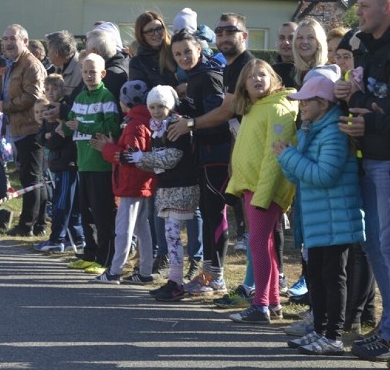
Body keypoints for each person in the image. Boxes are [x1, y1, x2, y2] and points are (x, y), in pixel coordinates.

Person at [275, 67, 364, 355]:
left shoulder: (334, 133)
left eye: (306, 101)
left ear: (322, 103)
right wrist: (287, 158)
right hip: (319, 219)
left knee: (332, 276)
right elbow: (299, 177)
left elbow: (324, 175)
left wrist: (288, 155)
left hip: (337, 218)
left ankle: (333, 335)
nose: (301, 107)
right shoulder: (310, 131)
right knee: (317, 275)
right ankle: (321, 330)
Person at [335, 0, 390, 361]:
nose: (359, 11)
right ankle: (387, 329)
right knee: (373, 246)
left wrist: (367, 113)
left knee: (387, 246)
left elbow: (380, 110)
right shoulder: (366, 47)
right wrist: (356, 104)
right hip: (368, 159)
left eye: (366, 5)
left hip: (387, 161)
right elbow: (369, 103)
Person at [225, 59, 298, 324]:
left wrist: (265, 194)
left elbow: (273, 157)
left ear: (273, 78)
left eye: (262, 75)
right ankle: (273, 302)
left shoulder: (277, 109)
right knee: (263, 245)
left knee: (257, 243)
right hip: (251, 188)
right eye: (251, 76)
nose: (257, 79)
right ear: (243, 84)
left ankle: (261, 305)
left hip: (263, 191)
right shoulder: (253, 109)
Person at [122, 85, 197, 301]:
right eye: (152, 106)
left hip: (181, 186)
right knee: (169, 235)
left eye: (161, 106)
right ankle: (174, 280)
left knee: (173, 235)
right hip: (166, 188)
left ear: (170, 106)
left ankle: (177, 283)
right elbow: (157, 162)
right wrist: (137, 159)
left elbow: (171, 157)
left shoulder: (175, 126)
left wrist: (141, 158)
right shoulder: (157, 127)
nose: (156, 111)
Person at [171, 30, 231, 297]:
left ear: (199, 49)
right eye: (177, 54)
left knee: (215, 214)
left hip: (217, 155)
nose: (183, 57)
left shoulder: (208, 75)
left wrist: (190, 122)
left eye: (187, 51)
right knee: (207, 214)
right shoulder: (195, 76)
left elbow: (219, 115)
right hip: (204, 154)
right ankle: (207, 273)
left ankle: (216, 277)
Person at [60, 52, 120, 275]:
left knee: (103, 214)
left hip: (101, 165)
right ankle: (90, 253)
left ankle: (105, 259)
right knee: (85, 213)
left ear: (103, 73)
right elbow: (72, 121)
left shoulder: (107, 97)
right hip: (83, 163)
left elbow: (113, 127)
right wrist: (62, 127)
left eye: (93, 71)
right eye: (85, 71)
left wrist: (83, 128)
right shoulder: (80, 97)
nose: (88, 75)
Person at [90, 80, 154, 283]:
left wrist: (106, 149)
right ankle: (145, 271)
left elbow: (130, 157)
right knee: (142, 228)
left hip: (130, 183)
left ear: (125, 102)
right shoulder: (146, 120)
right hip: (142, 182)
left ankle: (115, 270)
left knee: (124, 228)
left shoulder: (134, 124)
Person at [0, 24, 48, 237]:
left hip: (31, 128)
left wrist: (5, 106)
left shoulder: (31, 65)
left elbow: (32, 96)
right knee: (34, 178)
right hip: (19, 127)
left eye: (13, 38)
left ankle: (27, 225)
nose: (8, 42)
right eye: (5, 38)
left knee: (32, 179)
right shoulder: (13, 64)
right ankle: (39, 224)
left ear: (25, 41)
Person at [34, 78, 83, 252]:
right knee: (66, 200)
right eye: (47, 89)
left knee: (64, 202)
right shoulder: (48, 111)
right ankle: (75, 237)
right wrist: (45, 137)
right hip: (55, 162)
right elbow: (40, 136)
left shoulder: (65, 109)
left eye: (54, 89)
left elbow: (62, 137)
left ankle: (58, 238)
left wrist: (51, 137)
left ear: (62, 89)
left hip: (67, 161)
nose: (50, 92)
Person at [293, 18, 328, 86]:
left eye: (311, 37)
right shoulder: (291, 72)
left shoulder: (327, 72)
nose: (304, 42)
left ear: (319, 42)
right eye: (300, 37)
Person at [272, 22, 298, 88]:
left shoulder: (305, 72)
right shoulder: (270, 72)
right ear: (277, 42)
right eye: (282, 38)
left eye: (291, 38)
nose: (286, 42)